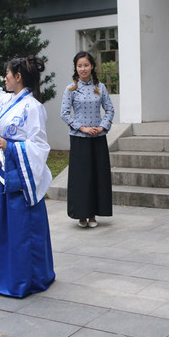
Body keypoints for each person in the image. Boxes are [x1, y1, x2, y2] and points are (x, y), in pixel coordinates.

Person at [0, 54, 55, 297]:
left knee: (23, 228)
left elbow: (39, 146)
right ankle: (1, 277)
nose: (4, 78)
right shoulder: (8, 101)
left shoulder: (34, 107)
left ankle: (28, 278)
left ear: (18, 77)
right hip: (4, 170)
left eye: (7, 74)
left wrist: (11, 146)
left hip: (22, 173)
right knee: (0, 225)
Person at [60, 51, 115, 228]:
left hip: (98, 138)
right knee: (82, 178)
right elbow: (64, 113)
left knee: (98, 176)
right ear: (76, 68)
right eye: (79, 65)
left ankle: (93, 216)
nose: (83, 69)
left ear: (92, 66)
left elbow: (110, 110)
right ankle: (82, 215)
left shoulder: (101, 88)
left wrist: (101, 127)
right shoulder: (71, 89)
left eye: (86, 65)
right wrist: (82, 128)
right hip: (79, 139)